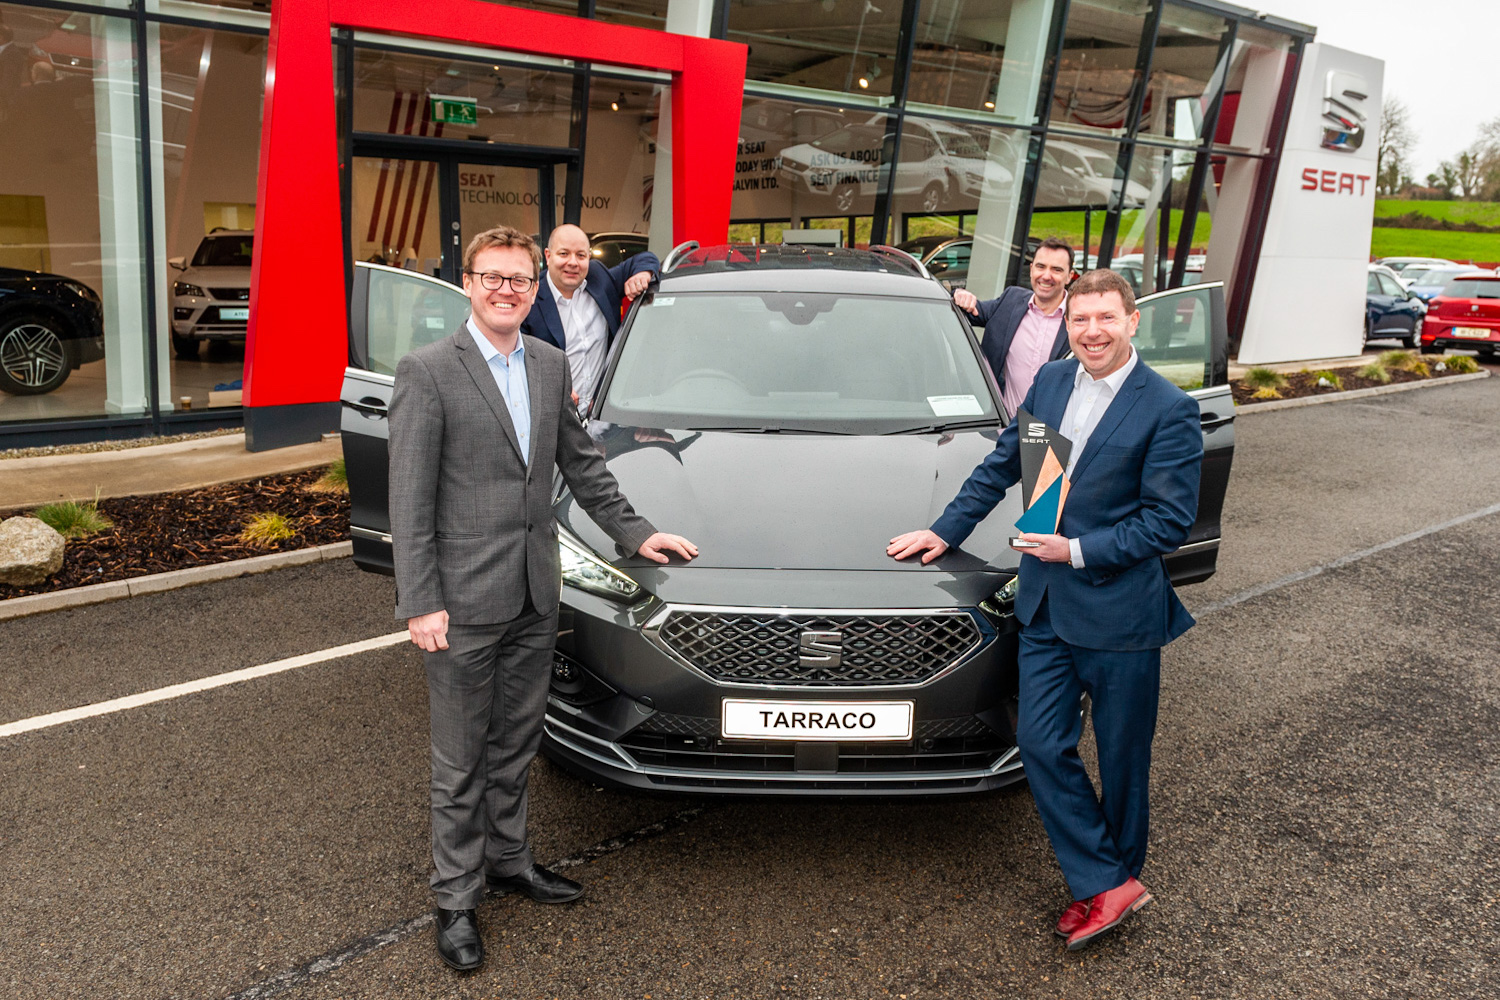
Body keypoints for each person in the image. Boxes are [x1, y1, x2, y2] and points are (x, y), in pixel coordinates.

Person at [388, 225, 697, 972]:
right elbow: (409, 499)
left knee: (517, 742)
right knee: (460, 759)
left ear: (535, 289)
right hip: (460, 603)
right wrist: (420, 602)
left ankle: (509, 860)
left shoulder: (549, 365)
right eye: (492, 277)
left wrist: (639, 533)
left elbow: (584, 467)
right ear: (468, 283)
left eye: (519, 280)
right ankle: (456, 899)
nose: (506, 290)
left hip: (534, 594)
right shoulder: (427, 371)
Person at [887, 268, 1202, 952]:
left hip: (1120, 614)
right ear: (1069, 324)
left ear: (1133, 321)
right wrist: (944, 530)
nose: (1092, 331)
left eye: (1106, 318)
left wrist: (1076, 550)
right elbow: (1005, 465)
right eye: (1081, 319)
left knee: (1121, 760)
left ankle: (1112, 884)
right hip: (1045, 608)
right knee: (1038, 743)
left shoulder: (1167, 407)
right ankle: (1107, 881)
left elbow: (1168, 522)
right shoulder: (1054, 382)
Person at [521, 224, 659, 416]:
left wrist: (643, 274)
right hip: (556, 418)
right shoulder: (529, 300)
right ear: (548, 255)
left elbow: (646, 258)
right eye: (564, 254)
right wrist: (554, 387)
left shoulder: (599, 278)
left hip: (603, 419)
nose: (573, 262)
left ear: (589, 257)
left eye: (580, 255)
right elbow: (518, 362)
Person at [952, 237, 1074, 417]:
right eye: (1040, 267)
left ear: (1069, 276)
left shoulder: (1080, 318)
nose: (1046, 276)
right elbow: (970, 310)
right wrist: (959, 295)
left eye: (1056, 269)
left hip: (1049, 429)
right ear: (1031, 269)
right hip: (1002, 426)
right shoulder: (1010, 301)